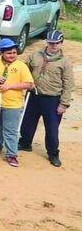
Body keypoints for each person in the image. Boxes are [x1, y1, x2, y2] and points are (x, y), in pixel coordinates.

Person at [19, 30, 75, 167]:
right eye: (51, 43)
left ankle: (53, 153)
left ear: (61, 43)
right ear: (47, 42)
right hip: (33, 95)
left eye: (56, 43)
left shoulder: (65, 63)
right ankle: (25, 143)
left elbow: (69, 84)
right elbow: (24, 69)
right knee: (27, 122)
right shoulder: (35, 55)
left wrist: (64, 104)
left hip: (52, 99)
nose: (53, 46)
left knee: (52, 128)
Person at [0, 38, 34, 167]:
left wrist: (9, 86)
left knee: (10, 130)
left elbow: (29, 84)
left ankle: (11, 154)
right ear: (2, 52)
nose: (12, 55)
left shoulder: (21, 66)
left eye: (14, 52)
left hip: (12, 105)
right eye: (9, 53)